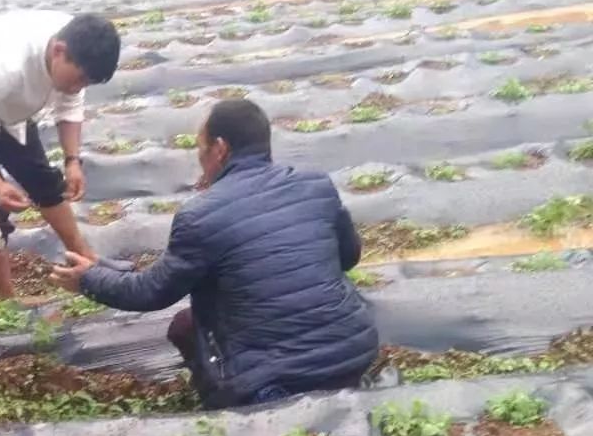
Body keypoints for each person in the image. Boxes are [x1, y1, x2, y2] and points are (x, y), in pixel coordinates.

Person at [52, 98, 378, 407]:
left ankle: (236, 412)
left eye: (201, 148)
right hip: (352, 355)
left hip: (274, 379)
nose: (199, 157)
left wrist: (88, 280)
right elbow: (349, 257)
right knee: (197, 317)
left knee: (184, 328)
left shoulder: (201, 215)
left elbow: (151, 292)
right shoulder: (316, 185)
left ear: (220, 149)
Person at [0, 10, 121, 295]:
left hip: (11, 108)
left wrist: (72, 161)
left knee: (43, 179)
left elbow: (69, 104)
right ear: (58, 51)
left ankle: (84, 258)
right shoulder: (5, 67)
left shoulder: (76, 43)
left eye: (86, 84)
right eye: (78, 79)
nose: (78, 88)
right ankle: (6, 294)